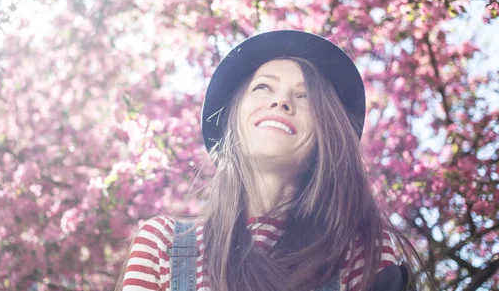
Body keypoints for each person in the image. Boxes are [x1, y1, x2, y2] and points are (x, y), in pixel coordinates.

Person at [116, 30, 433, 291]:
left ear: (327, 132)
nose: (281, 101)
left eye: (305, 96)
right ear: (232, 118)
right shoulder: (166, 245)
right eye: (262, 86)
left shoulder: (361, 252)